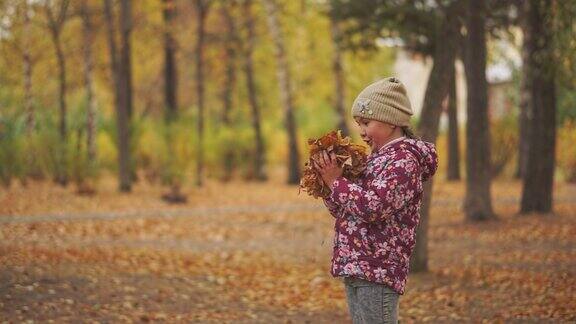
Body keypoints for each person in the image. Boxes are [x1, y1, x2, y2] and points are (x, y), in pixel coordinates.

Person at [312, 77, 438, 324]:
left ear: (391, 120)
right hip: (357, 265)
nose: (361, 131)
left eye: (366, 123)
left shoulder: (404, 162)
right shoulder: (374, 160)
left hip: (378, 269)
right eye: (358, 123)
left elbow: (373, 207)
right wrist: (328, 184)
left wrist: (337, 182)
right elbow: (346, 210)